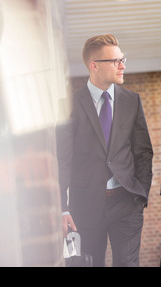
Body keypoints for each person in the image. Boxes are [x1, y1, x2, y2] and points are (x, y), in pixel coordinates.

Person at [56, 34, 153, 267]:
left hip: (126, 201)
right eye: (115, 61)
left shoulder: (132, 101)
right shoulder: (68, 105)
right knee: (89, 263)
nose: (122, 65)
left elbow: (143, 152)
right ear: (94, 66)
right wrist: (62, 208)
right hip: (85, 205)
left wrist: (140, 194)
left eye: (123, 59)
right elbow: (63, 160)